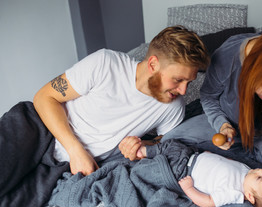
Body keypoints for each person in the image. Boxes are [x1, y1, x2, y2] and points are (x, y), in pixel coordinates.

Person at [161, 25, 262, 193]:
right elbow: (208, 97)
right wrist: (222, 125)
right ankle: (257, 153)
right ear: (253, 70)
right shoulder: (227, 58)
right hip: (231, 124)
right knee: (169, 143)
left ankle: (260, 151)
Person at [33, 26, 209, 176]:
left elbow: (163, 142)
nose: (184, 91)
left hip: (65, 168)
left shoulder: (173, 106)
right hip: (40, 131)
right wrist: (76, 152)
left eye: (189, 82)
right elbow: (44, 97)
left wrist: (141, 145)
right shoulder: (105, 63)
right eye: (178, 80)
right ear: (153, 65)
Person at [135, 139, 262, 207]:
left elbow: (208, 203)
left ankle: (144, 153)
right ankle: (149, 151)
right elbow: (228, 162)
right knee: (175, 145)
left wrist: (189, 189)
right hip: (192, 156)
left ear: (250, 197)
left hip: (184, 172)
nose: (260, 171)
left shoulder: (234, 193)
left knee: (167, 155)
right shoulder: (249, 174)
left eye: (260, 178)